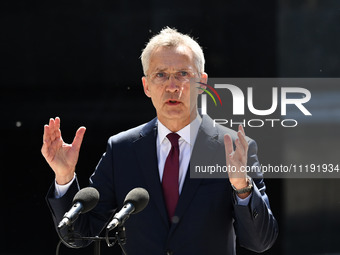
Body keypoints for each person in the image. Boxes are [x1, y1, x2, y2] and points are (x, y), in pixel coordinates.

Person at [42, 27, 278, 255]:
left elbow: (260, 242)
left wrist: (242, 188)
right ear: (146, 86)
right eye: (161, 75)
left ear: (202, 84)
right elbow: (80, 235)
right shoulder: (122, 149)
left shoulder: (234, 148)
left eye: (183, 74)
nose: (172, 86)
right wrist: (64, 177)